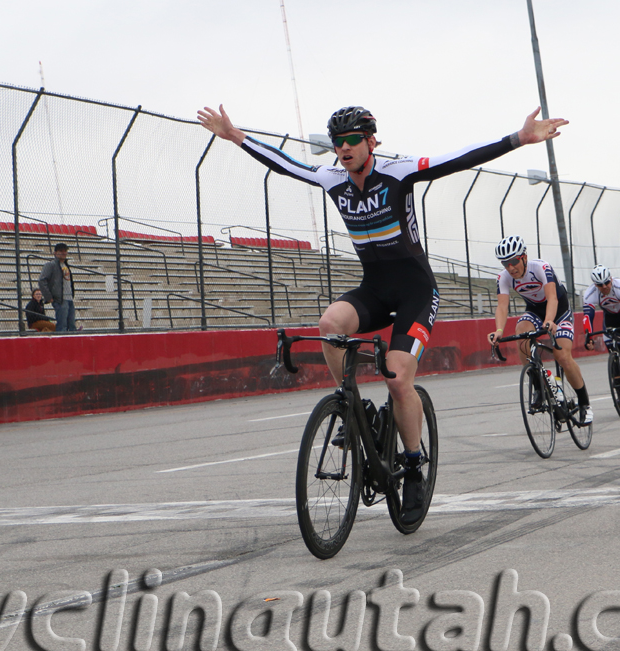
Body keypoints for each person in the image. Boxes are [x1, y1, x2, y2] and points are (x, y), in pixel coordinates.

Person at [198, 102, 565, 526]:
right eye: (338, 142)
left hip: (415, 290)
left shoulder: (398, 172)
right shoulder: (331, 177)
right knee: (329, 324)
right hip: (374, 286)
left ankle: (412, 465)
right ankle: (353, 406)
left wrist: (519, 138)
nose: (344, 148)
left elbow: (458, 159)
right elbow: (284, 164)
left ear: (372, 141)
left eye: (353, 139)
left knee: (396, 376)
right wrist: (235, 135)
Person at [490, 236, 593, 423]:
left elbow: (552, 298)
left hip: (559, 311)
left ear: (524, 257)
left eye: (514, 261)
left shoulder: (541, 267)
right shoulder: (503, 278)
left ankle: (585, 403)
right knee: (521, 332)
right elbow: (502, 307)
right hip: (535, 311)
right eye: (506, 263)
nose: (511, 268)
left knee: (562, 357)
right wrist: (498, 330)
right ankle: (538, 386)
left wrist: (549, 321)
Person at [38, 243, 77, 332]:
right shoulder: (51, 265)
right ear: (55, 253)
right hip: (60, 299)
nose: (64, 253)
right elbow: (42, 280)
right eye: (61, 251)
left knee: (72, 325)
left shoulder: (66, 265)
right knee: (62, 325)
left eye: (65, 251)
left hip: (69, 298)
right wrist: (49, 297)